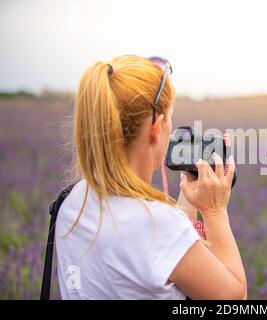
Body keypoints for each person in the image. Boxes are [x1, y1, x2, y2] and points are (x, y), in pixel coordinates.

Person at [55, 55, 247, 300]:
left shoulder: (72, 203)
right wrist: (214, 211)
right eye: (170, 119)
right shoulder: (159, 224)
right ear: (156, 128)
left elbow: (158, 255)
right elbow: (235, 298)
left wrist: (188, 200)